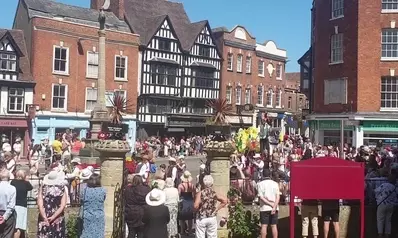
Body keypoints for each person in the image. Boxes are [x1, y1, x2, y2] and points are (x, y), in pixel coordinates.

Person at [37, 171, 67, 238]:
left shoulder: (43, 187)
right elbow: (62, 205)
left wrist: (44, 217)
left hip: (45, 214)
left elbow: (40, 204)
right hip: (58, 216)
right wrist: (53, 217)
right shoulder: (62, 188)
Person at [80, 174, 106, 238]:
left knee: (87, 233)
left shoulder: (85, 190)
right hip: (99, 215)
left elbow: (81, 200)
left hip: (87, 215)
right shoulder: (103, 190)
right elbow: (103, 199)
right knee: (99, 234)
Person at [257, 169, 280, 238]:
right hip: (275, 207)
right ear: (270, 175)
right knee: (274, 225)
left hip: (264, 207)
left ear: (262, 175)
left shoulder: (260, 184)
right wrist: (274, 206)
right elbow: (278, 197)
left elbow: (261, 197)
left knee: (264, 225)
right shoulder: (275, 184)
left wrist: (270, 204)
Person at [10, 170, 33, 238]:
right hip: (22, 206)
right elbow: (30, 188)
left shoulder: (13, 182)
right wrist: (26, 180)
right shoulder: (25, 183)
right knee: (19, 226)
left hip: (14, 204)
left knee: (14, 224)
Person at [375, 174, 398, 238]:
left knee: (380, 219)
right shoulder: (395, 188)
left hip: (382, 204)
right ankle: (387, 234)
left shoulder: (384, 185)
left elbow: (376, 190)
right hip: (391, 205)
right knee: (388, 220)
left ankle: (380, 234)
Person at [0, 169, 16, 238]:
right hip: (8, 214)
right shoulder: (12, 188)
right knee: (7, 235)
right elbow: (11, 205)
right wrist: (5, 217)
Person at [178, 170, 195, 235]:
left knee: (182, 217)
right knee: (190, 217)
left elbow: (179, 194)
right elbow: (194, 193)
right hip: (190, 200)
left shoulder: (180, 185)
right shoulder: (192, 185)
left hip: (183, 200)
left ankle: (182, 231)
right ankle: (190, 231)